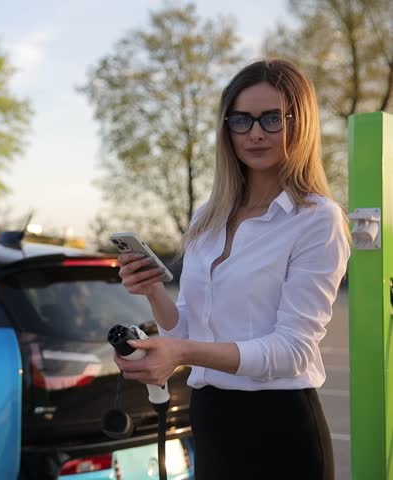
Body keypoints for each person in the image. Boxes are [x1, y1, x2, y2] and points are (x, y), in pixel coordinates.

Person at [113, 58, 351, 480]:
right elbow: (186, 329)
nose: (255, 132)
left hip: (280, 427)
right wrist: (152, 291)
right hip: (210, 417)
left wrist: (182, 354)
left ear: (302, 124)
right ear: (227, 128)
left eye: (272, 118)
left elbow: (292, 350)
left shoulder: (317, 219)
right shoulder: (209, 215)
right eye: (241, 119)